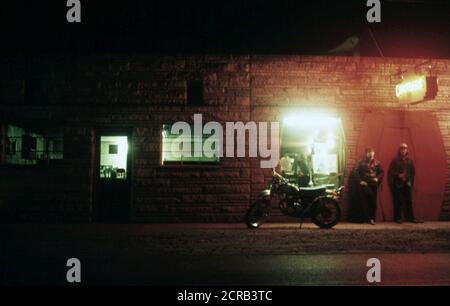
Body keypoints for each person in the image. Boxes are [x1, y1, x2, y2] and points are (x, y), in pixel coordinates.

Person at [388, 143, 423, 224]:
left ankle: (411, 218)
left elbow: (413, 173)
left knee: (409, 201)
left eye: (405, 149)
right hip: (398, 184)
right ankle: (398, 218)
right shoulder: (395, 160)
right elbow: (391, 172)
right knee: (398, 201)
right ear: (399, 150)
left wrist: (410, 181)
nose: (403, 150)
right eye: (402, 149)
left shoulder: (410, 160)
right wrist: (398, 175)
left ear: (407, 150)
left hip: (407, 184)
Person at [354, 148, 384, 225]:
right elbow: (355, 172)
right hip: (365, 184)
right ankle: (365, 218)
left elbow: (381, 172)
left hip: (374, 184)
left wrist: (378, 178)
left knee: (373, 202)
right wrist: (360, 181)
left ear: (374, 153)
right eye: (369, 152)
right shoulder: (361, 162)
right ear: (366, 153)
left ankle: (371, 219)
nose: (370, 154)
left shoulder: (377, 162)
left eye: (372, 152)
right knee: (368, 199)